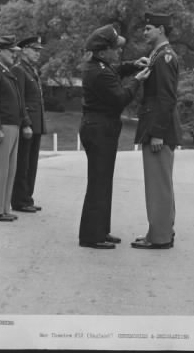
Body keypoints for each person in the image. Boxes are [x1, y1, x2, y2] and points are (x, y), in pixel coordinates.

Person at [79, 24, 150, 249]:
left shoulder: (99, 65)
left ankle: (100, 229)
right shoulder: (99, 72)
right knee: (99, 182)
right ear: (102, 52)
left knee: (103, 181)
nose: (118, 51)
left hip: (100, 128)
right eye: (115, 48)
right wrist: (137, 79)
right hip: (100, 129)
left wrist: (131, 66)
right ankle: (91, 236)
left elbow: (115, 69)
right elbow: (121, 98)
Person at [131, 12, 182, 249]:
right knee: (161, 182)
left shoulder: (164, 57)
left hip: (158, 129)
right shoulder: (158, 55)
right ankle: (162, 232)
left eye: (148, 28)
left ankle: (159, 237)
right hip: (156, 126)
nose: (144, 32)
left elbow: (166, 97)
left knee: (158, 184)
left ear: (160, 29)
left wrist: (158, 132)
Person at [0, 35, 32, 222]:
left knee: (10, 169)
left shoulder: (7, 71)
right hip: (4, 126)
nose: (14, 55)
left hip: (13, 125)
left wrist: (24, 122)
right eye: (10, 51)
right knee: (0, 169)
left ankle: (4, 207)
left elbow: (19, 99)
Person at [11, 36, 46, 213]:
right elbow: (20, 99)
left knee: (31, 163)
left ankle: (27, 197)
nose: (38, 54)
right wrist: (25, 123)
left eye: (39, 51)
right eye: (35, 50)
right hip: (28, 123)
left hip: (36, 123)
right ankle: (19, 200)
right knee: (23, 163)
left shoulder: (31, 70)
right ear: (24, 50)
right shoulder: (18, 70)